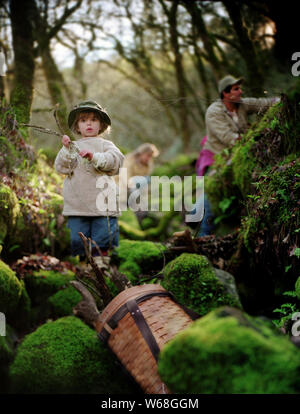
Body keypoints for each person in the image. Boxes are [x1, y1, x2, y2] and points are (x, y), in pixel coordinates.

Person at [195, 75, 280, 236]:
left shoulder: (240, 104)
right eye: (236, 89)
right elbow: (227, 137)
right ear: (225, 93)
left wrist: (280, 100)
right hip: (216, 156)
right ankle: (202, 235)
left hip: (237, 153)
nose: (240, 91)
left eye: (240, 88)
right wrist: (249, 140)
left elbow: (264, 103)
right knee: (212, 194)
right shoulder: (214, 112)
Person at [54, 100, 124, 265]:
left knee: (103, 237)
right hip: (78, 204)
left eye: (93, 120)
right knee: (80, 240)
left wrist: (94, 157)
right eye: (84, 120)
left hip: (103, 203)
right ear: (77, 126)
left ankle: (102, 266)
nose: (89, 124)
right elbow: (62, 167)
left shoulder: (106, 145)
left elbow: (116, 162)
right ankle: (85, 267)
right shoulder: (73, 146)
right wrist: (66, 150)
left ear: (101, 125)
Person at [116, 143, 159, 222]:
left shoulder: (148, 165)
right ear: (142, 153)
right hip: (123, 185)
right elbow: (124, 177)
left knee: (147, 180)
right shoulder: (129, 159)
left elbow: (145, 183)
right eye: (148, 155)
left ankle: (142, 210)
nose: (148, 159)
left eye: (151, 157)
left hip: (137, 188)